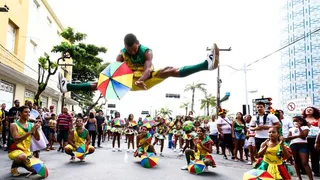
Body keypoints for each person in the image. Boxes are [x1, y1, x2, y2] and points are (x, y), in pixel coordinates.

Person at [57, 33, 220, 93]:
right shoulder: (121, 55)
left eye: (134, 50)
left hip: (145, 78)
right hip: (128, 80)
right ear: (125, 48)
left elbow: (148, 69)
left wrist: (142, 79)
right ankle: (68, 86)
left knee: (169, 70)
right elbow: (115, 71)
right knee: (98, 83)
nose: (133, 53)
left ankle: (206, 65)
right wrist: (109, 81)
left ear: (138, 44)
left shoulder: (147, 51)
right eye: (130, 51)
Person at [8, 106, 41, 177]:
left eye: (29, 112)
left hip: (26, 152)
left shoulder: (31, 125)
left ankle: (22, 163)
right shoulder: (14, 125)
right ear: (20, 113)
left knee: (37, 170)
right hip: (15, 150)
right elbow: (16, 140)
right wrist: (30, 132)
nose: (28, 114)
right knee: (22, 156)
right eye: (25, 112)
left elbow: (38, 139)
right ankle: (13, 168)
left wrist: (36, 129)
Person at [287, 116, 313, 180]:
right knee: (296, 161)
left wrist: (299, 128)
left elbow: (304, 136)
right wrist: (298, 136)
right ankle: (299, 177)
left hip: (303, 145)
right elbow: (288, 137)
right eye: (294, 121)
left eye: (296, 120)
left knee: (304, 162)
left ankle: (311, 178)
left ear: (301, 121)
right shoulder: (291, 129)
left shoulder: (305, 127)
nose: (295, 122)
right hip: (293, 145)